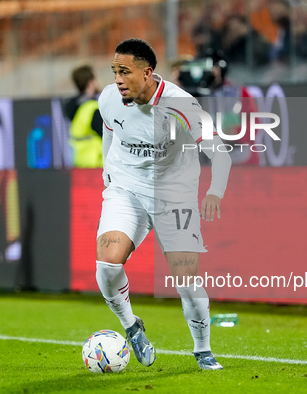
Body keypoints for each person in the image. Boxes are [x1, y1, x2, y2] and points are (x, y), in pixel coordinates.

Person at [96, 38, 232, 370]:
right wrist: (107, 171)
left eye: (124, 72)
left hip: (174, 194)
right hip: (126, 189)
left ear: (148, 72)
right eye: (114, 71)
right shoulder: (109, 98)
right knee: (108, 263)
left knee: (186, 280)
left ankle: (202, 350)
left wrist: (214, 192)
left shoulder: (182, 105)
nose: (117, 80)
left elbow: (220, 154)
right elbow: (110, 130)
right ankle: (131, 326)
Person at [65, 65, 104, 168]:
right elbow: (106, 134)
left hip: (80, 161)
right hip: (95, 162)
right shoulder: (92, 108)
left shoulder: (73, 106)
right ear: (90, 82)